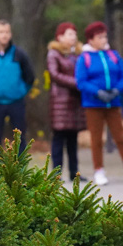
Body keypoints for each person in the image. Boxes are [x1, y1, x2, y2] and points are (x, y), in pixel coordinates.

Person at [75, 21, 123, 186]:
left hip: (113, 103)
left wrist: (116, 90)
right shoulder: (84, 58)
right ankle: (99, 170)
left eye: (105, 36)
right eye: (100, 37)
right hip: (93, 105)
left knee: (121, 136)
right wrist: (97, 92)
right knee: (97, 139)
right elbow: (81, 81)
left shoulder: (113, 55)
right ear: (90, 40)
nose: (104, 39)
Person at [0, 20, 35, 155]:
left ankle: (20, 166)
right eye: (1, 32)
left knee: (19, 136)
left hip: (16, 102)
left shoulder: (19, 54)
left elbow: (30, 76)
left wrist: (21, 91)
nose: (4, 35)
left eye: (7, 32)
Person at [46, 22, 86, 180]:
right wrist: (77, 83)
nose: (73, 37)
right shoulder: (53, 54)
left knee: (72, 139)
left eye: (74, 34)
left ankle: (74, 172)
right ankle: (56, 174)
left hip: (75, 101)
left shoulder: (78, 54)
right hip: (60, 102)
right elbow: (54, 75)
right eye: (70, 34)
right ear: (60, 36)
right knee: (58, 138)